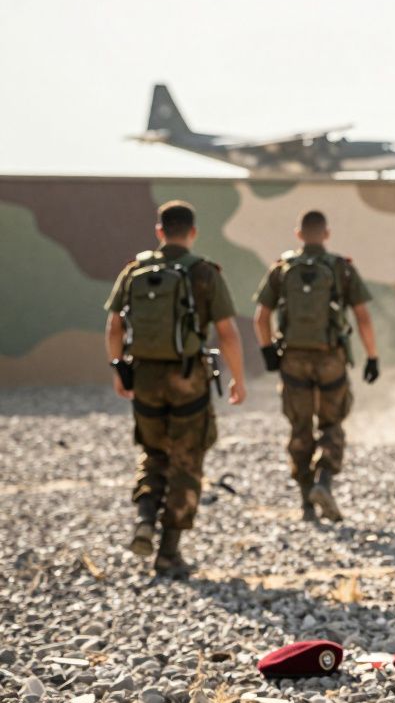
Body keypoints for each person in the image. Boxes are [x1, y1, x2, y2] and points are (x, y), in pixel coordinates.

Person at [105, 200, 247, 578]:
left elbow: (115, 327)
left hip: (145, 377)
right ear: (193, 232)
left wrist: (120, 370)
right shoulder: (204, 273)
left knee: (153, 452)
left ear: (159, 231)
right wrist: (238, 378)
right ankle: (168, 553)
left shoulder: (135, 269)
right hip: (189, 382)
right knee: (187, 462)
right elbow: (228, 333)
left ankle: (145, 517)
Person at [253, 210, 378, 523]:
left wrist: (268, 350)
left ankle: (306, 502)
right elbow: (362, 317)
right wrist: (372, 356)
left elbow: (261, 316)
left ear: (298, 234)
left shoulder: (282, 269)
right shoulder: (341, 269)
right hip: (330, 359)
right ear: (326, 234)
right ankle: (324, 481)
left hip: (293, 358)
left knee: (300, 427)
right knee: (331, 423)